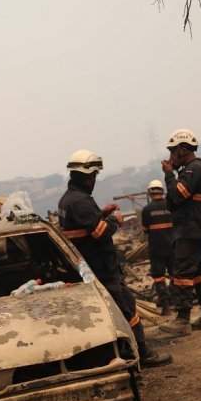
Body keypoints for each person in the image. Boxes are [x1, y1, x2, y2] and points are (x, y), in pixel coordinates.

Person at [58, 150, 172, 368]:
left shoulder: (67, 199)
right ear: (88, 176)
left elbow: (84, 226)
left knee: (121, 307)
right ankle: (142, 354)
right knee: (125, 310)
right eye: (94, 176)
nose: (94, 180)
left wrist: (101, 213)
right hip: (101, 268)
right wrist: (114, 219)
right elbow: (100, 233)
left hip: (90, 268)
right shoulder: (80, 200)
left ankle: (127, 352)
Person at [158, 129, 201, 337]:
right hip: (194, 228)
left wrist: (168, 174)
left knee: (182, 272)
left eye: (173, 151)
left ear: (183, 149)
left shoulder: (194, 169)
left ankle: (182, 319)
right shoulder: (190, 171)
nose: (171, 156)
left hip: (190, 229)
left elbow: (177, 194)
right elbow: (172, 201)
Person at [140, 179, 174, 316]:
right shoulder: (170, 206)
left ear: (149, 193)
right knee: (176, 276)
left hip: (156, 249)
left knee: (159, 278)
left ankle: (166, 307)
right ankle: (178, 303)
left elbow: (144, 229)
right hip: (172, 247)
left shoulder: (147, 210)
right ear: (162, 191)